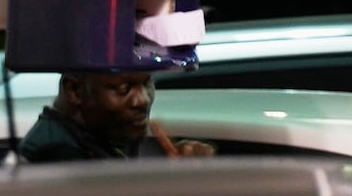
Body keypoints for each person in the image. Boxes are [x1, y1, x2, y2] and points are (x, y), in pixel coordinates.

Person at [15, 70, 212, 164]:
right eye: (123, 89)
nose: (142, 100)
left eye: (147, 84)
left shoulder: (98, 139)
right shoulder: (57, 159)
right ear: (74, 91)